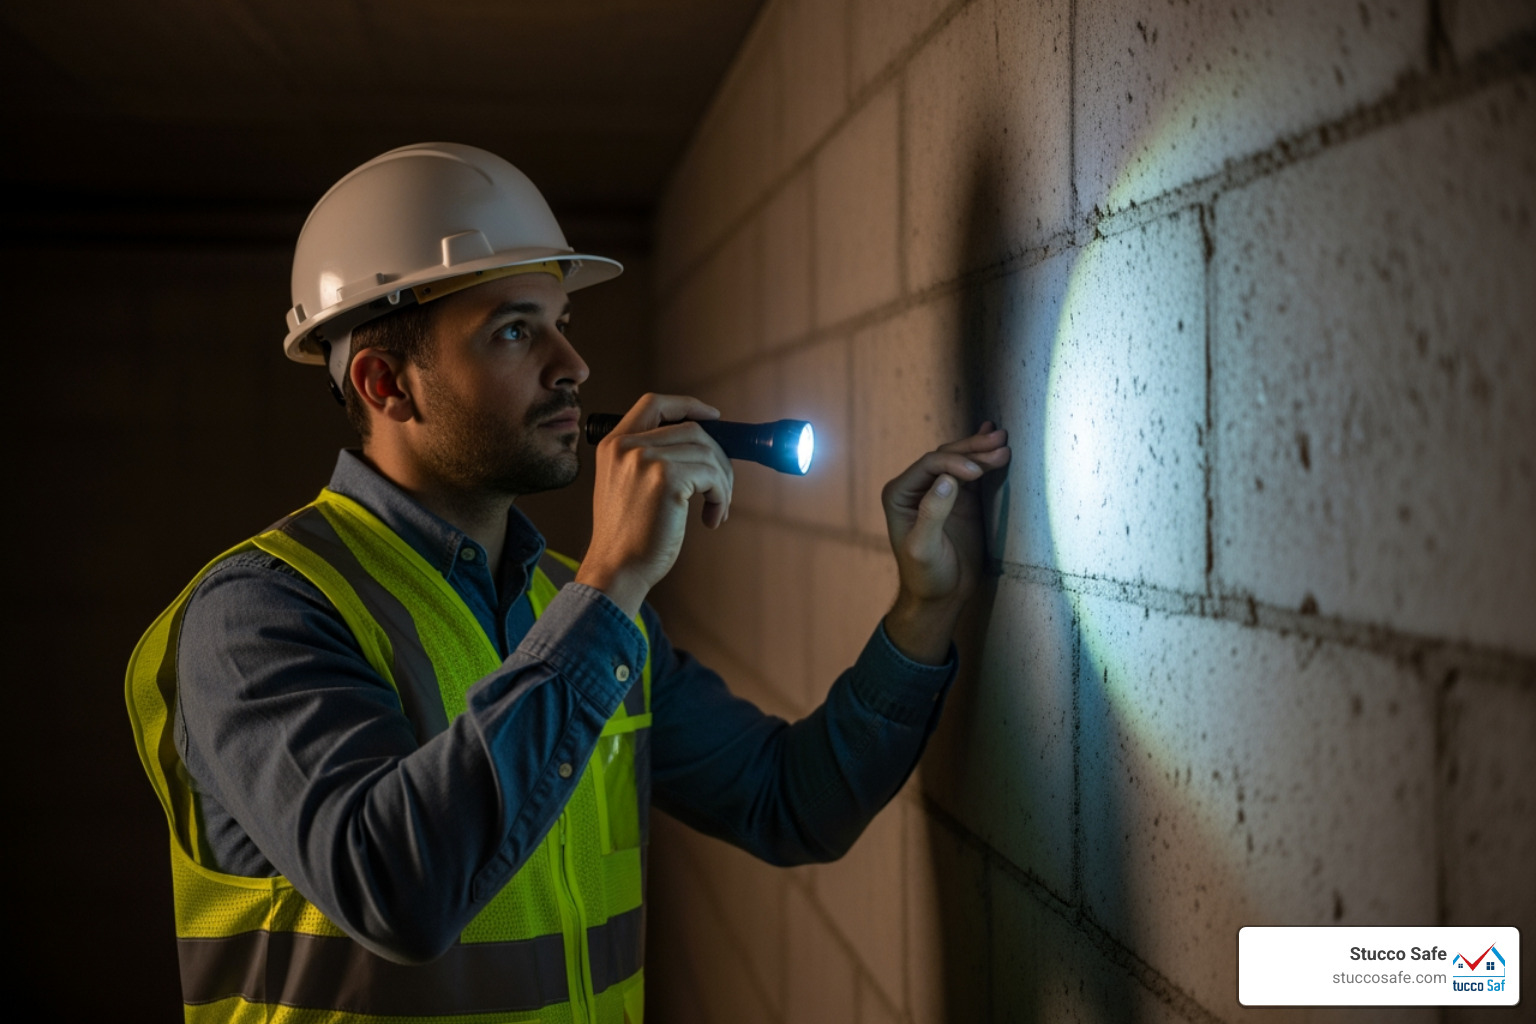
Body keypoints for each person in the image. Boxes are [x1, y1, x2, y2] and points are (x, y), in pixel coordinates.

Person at [126, 142, 1010, 1023]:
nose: (572, 367)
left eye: (562, 325)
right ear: (385, 382)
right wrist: (614, 577)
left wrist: (923, 608)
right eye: (515, 330)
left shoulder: (568, 605)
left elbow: (789, 803)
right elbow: (396, 887)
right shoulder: (260, 613)